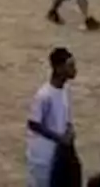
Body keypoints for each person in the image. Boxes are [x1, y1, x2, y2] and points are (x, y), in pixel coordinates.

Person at [26, 47, 77, 187]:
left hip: (59, 151)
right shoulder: (44, 95)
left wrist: (69, 129)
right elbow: (33, 123)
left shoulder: (65, 90)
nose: (74, 69)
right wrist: (59, 138)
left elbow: (65, 115)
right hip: (43, 154)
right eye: (70, 66)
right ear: (59, 68)